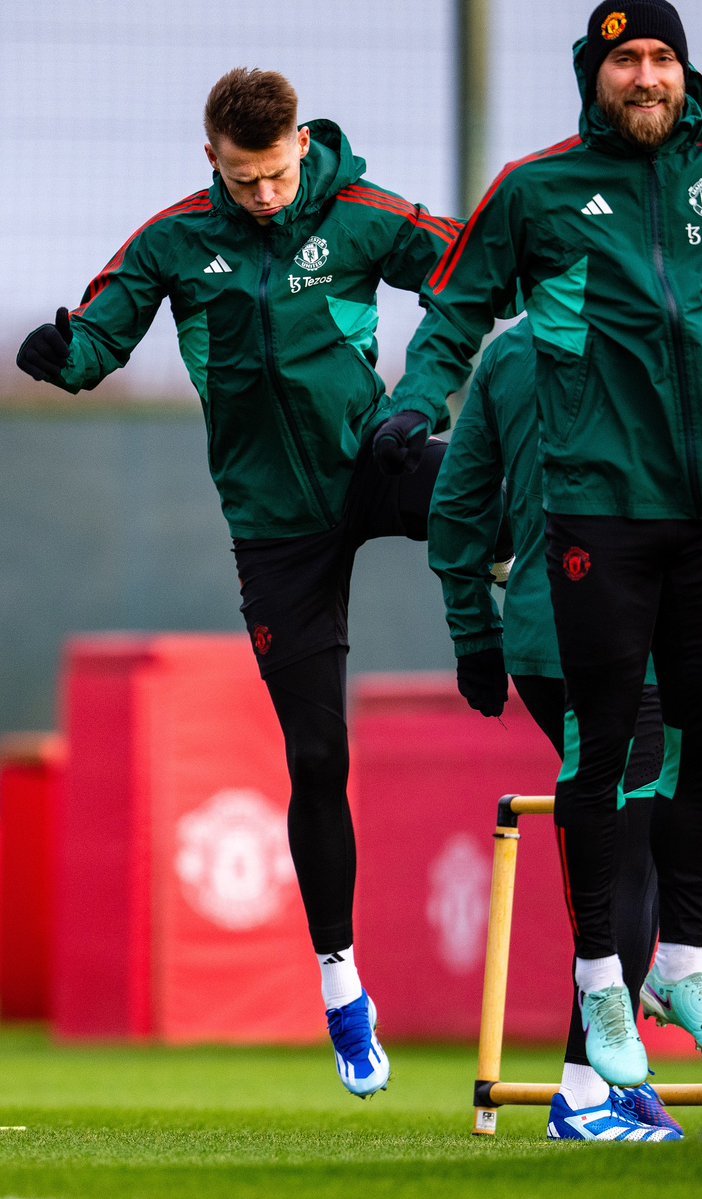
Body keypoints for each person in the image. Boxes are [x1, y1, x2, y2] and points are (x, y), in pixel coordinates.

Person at [15, 67, 466, 1100]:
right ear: (210, 160)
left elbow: (468, 268)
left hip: (375, 460)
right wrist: (58, 352)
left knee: (499, 491)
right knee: (316, 755)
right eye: (243, 179)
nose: (264, 195)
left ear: (301, 144)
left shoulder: (359, 213)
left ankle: (523, 597)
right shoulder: (176, 240)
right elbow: (98, 339)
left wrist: (444, 373)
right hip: (275, 532)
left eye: (275, 175)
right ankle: (344, 985)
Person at [374, 1, 702, 1089]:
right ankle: (603, 974)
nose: (644, 76)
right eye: (625, 61)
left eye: (660, 57)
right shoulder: (537, 186)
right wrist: (416, 402)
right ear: (593, 74)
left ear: (682, 72)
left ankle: (682, 967)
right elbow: (456, 312)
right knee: (603, 752)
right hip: (599, 516)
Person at [428, 317, 702, 1142]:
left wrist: (473, 635)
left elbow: (457, 506)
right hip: (637, 636)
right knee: (632, 844)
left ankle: (631, 1027)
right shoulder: (679, 344)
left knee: (642, 835)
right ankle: (583, 1092)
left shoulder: (512, 353)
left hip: (543, 634)